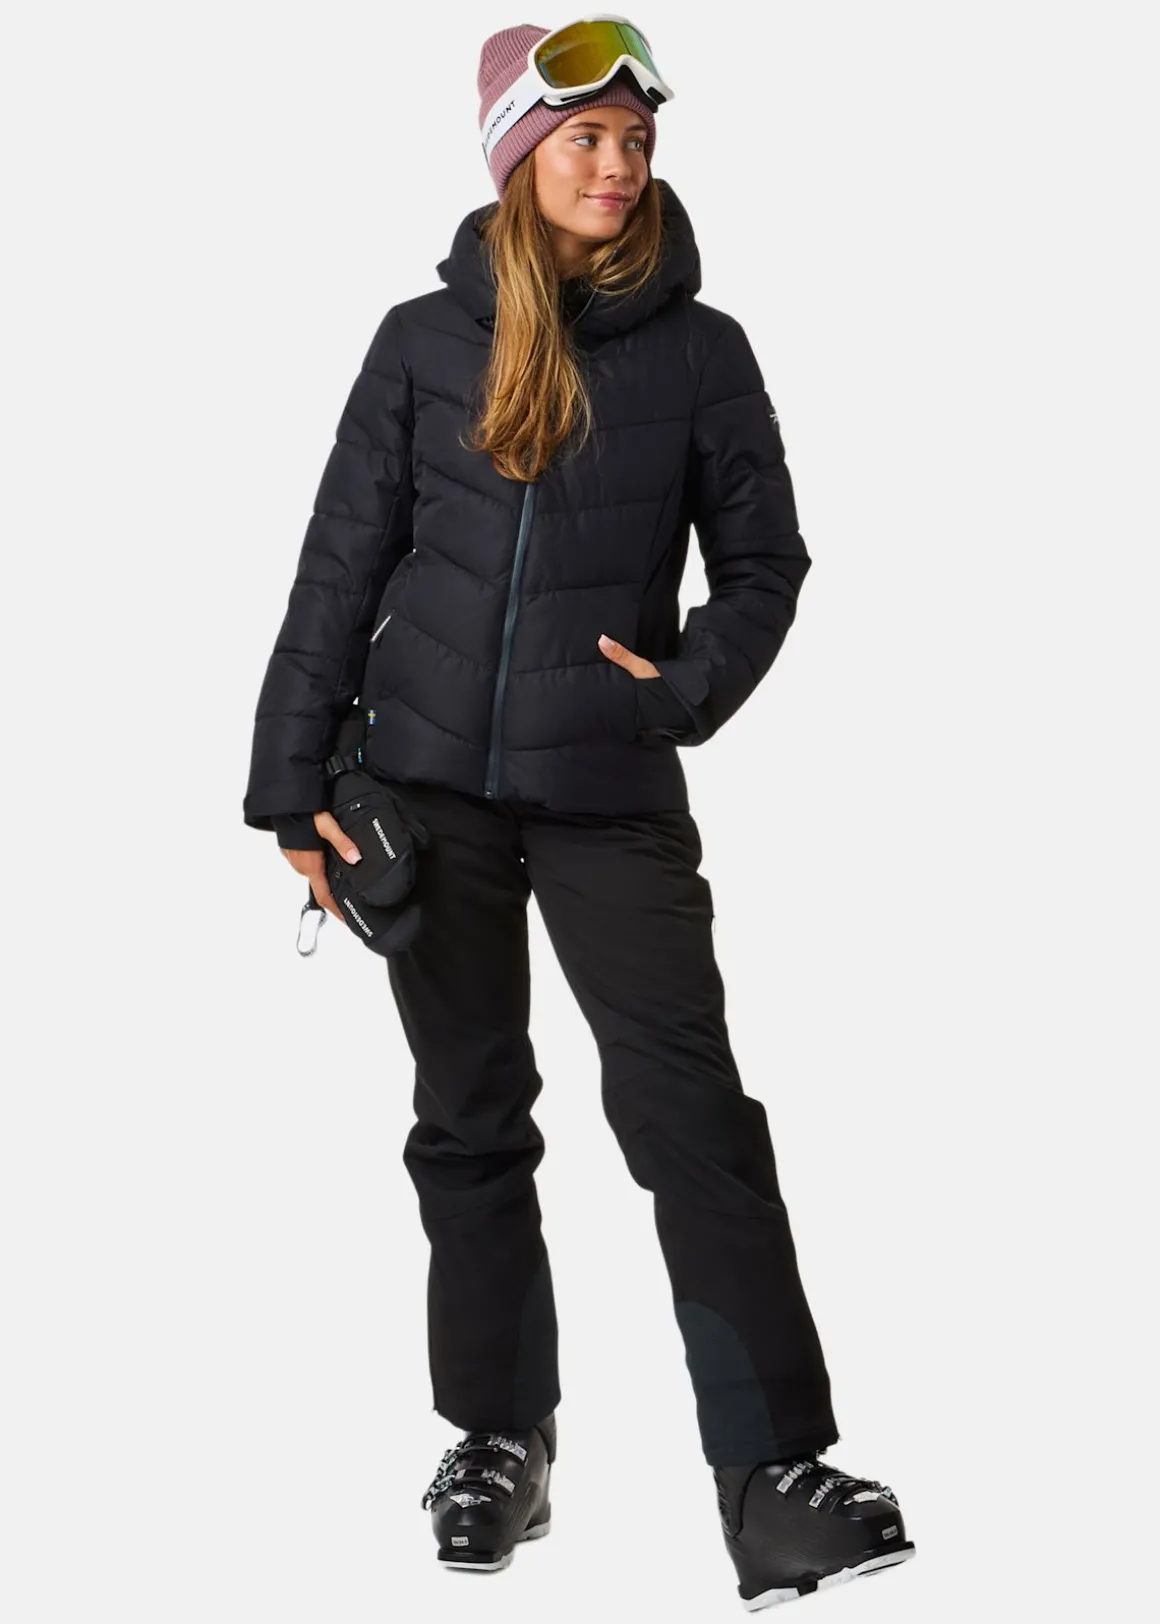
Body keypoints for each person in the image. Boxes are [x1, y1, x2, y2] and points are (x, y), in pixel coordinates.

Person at [242, 15, 915, 1611]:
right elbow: (340, 564)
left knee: (693, 1119)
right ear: (518, 159)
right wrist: (287, 790)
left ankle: (773, 1479)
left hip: (609, 788)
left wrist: (683, 687)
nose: (616, 166)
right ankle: (498, 1441)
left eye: (635, 140)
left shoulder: (703, 353)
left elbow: (766, 564)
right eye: (585, 139)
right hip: (423, 791)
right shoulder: (423, 342)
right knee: (470, 1115)